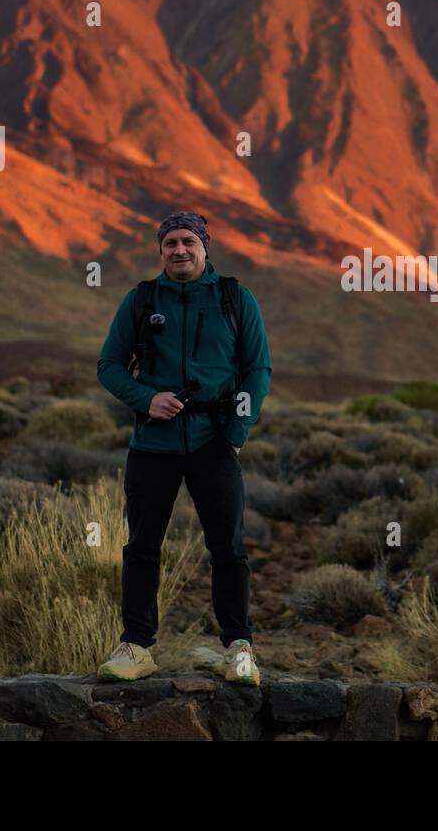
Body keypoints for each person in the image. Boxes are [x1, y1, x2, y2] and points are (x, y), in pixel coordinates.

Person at [94, 211, 271, 685]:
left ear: (204, 247)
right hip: (152, 445)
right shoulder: (142, 300)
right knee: (142, 546)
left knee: (228, 547)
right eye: (170, 242)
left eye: (188, 241)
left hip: (215, 442)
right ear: (160, 250)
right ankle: (136, 646)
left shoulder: (235, 298)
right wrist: (146, 398)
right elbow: (109, 364)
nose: (179, 250)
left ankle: (239, 648)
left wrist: (237, 432)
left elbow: (258, 371)